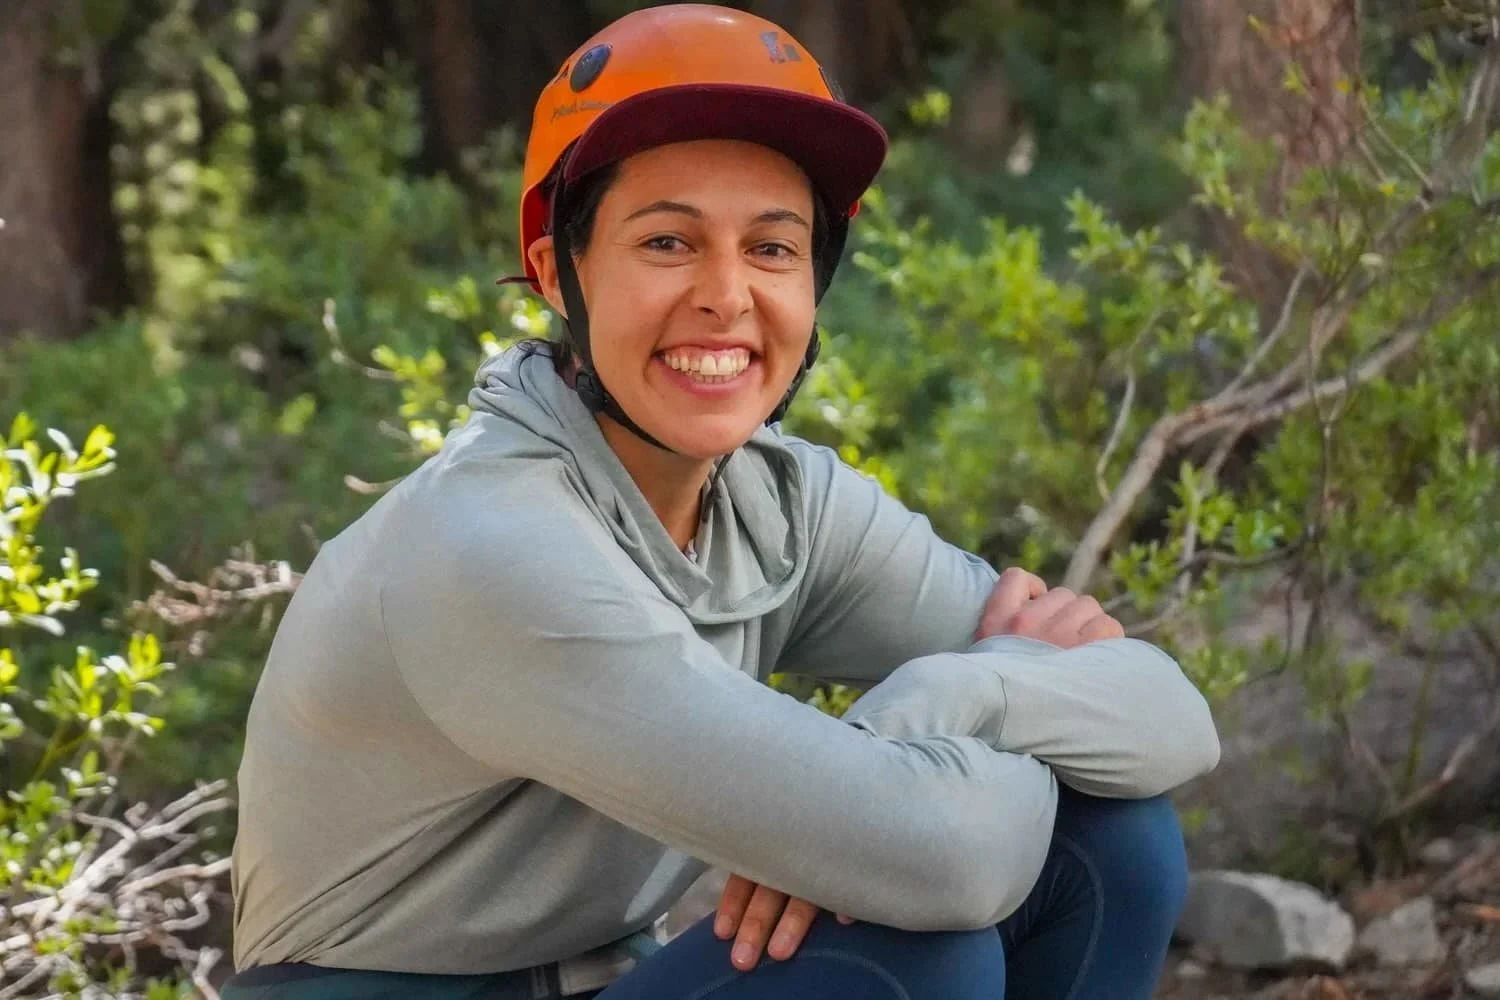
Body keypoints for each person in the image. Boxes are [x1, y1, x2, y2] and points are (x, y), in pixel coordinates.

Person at [223, 5, 1221, 999]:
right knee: (909, 946)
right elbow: (952, 860)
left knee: (1109, 837)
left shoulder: (782, 502)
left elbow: (1174, 723)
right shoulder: (490, 541)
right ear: (555, 274)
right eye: (667, 242)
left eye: (774, 249)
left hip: (602, 983)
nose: (726, 295)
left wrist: (959, 692)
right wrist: (916, 786)